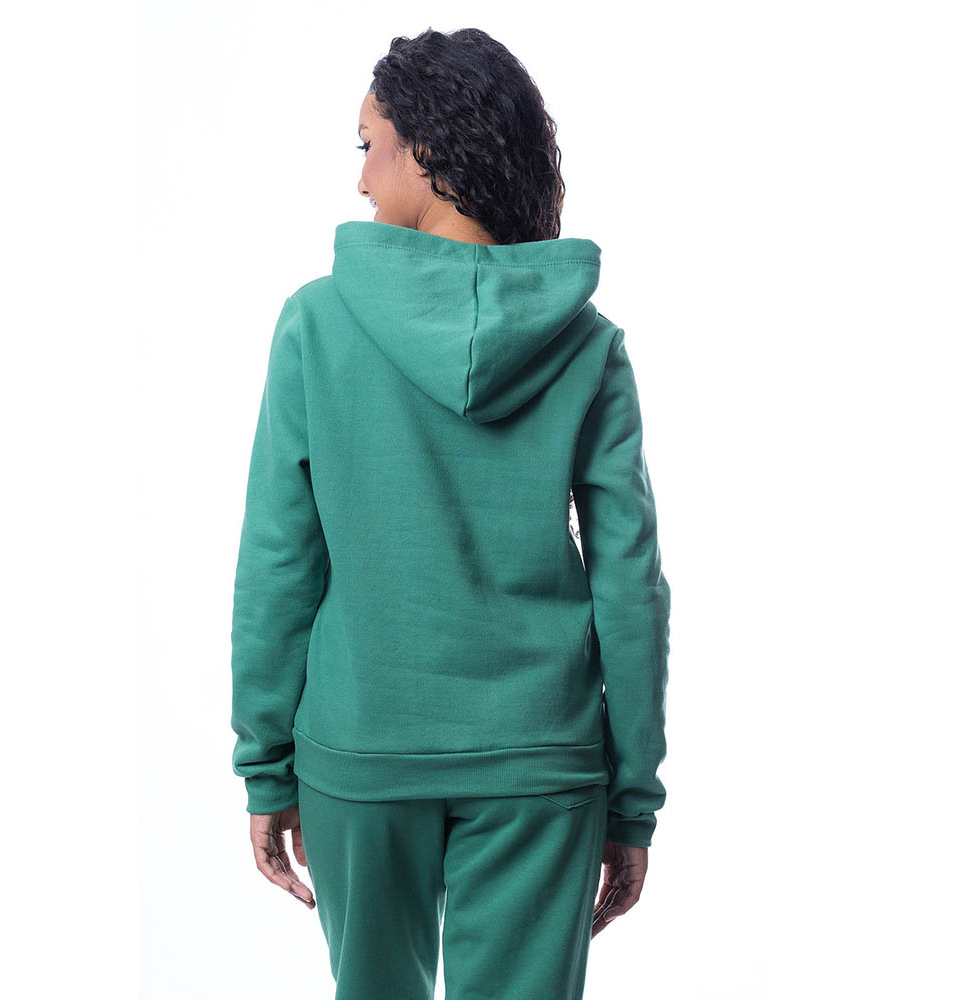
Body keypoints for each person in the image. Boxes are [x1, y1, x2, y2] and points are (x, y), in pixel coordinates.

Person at [229, 26, 672, 1000]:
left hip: (361, 750)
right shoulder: (586, 345)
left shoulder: (316, 323)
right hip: (541, 760)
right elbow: (629, 584)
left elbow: (278, 561)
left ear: (426, 147)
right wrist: (631, 796)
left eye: (368, 145)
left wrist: (267, 766)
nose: (358, 179)